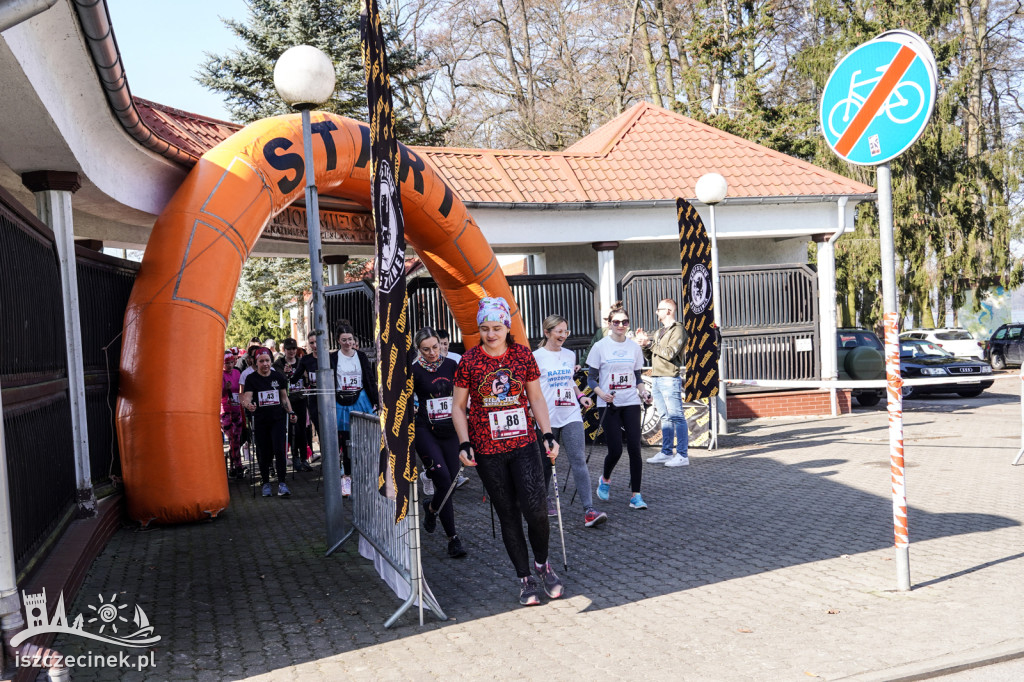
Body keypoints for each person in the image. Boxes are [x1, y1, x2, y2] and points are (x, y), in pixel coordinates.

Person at [453, 297, 562, 606]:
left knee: (537, 510)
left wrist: (548, 434)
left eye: (496, 328)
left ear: (507, 327)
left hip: (524, 444)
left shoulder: (522, 355)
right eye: (485, 329)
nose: (491, 334)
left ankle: (542, 564)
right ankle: (525, 577)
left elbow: (537, 398)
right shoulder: (470, 360)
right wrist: (464, 442)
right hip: (488, 450)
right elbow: (458, 408)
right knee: (509, 514)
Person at [534, 315, 608, 528]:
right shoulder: (536, 356)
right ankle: (544, 497)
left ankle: (589, 510)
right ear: (547, 332)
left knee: (578, 460)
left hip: (570, 413)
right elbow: (531, 387)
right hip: (547, 417)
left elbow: (569, 381)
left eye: (566, 331)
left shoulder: (569, 355)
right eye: (559, 331)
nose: (563, 335)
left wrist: (579, 396)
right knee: (547, 462)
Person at [587, 302, 651, 510]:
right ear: (609, 324)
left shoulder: (633, 347)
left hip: (630, 401)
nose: (621, 325)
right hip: (608, 403)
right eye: (616, 322)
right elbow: (591, 379)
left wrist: (643, 392)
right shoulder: (600, 347)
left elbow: (637, 377)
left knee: (635, 448)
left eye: (624, 322)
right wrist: (602, 394)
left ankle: (636, 495)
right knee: (615, 450)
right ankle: (605, 479)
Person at [411, 327, 467, 558]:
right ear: (419, 349)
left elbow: (464, 397)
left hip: (451, 429)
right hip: (425, 429)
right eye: (426, 349)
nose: (433, 352)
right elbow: (405, 400)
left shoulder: (452, 365)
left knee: (450, 483)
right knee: (442, 478)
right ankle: (453, 538)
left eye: (436, 347)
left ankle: (431, 508)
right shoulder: (413, 370)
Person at [635, 298, 689, 467]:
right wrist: (643, 345)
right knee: (665, 417)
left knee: (677, 416)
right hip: (656, 377)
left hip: (669, 378)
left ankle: (682, 454)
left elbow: (670, 353)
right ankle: (666, 452)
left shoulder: (678, 330)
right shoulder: (659, 332)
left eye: (659, 309)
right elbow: (650, 356)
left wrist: (649, 343)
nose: (656, 312)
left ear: (668, 310)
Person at [329, 321, 379, 496]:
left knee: (364, 437)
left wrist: (376, 401)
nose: (348, 343)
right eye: (344, 340)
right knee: (345, 440)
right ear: (338, 341)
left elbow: (369, 378)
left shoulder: (361, 356)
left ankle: (365, 476)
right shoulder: (333, 358)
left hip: (360, 398)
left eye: (350, 339)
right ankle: (346, 477)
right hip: (341, 401)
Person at [241, 347, 299, 497]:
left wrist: (291, 412)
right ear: (256, 362)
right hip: (260, 420)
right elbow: (246, 397)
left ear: (271, 361)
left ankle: (282, 483)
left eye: (267, 360)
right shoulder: (251, 378)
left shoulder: (278, 377)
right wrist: (249, 405)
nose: (265, 364)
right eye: (261, 361)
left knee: (280, 450)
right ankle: (266, 482)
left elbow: (284, 398)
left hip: (277, 419)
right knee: (263, 452)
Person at [274, 338, 313, 472]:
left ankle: (304, 458)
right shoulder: (279, 363)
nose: (291, 351)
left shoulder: (301, 362)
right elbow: (278, 381)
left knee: (302, 429)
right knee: (291, 430)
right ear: (284, 350)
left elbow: (307, 378)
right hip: (287, 401)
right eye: (289, 349)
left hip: (301, 399)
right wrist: (285, 374)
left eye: (293, 349)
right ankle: (294, 457)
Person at [220, 350, 245, 479]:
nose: (229, 365)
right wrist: (225, 389)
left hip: (237, 409)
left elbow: (241, 390)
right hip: (226, 410)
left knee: (237, 439)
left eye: (231, 362)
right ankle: (236, 465)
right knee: (232, 438)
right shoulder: (219, 374)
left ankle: (235, 465)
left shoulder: (237, 372)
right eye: (226, 363)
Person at [298, 331, 322, 462]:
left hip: (328, 398)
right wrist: (288, 375)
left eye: (316, 342)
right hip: (313, 399)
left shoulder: (330, 357)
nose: (314, 345)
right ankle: (326, 461)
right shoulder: (306, 360)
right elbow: (296, 376)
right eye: (311, 343)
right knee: (318, 428)